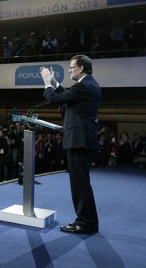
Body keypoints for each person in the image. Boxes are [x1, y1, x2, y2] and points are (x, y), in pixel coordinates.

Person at [40, 54, 101, 235]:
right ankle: (88, 221)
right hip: (82, 140)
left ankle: (85, 223)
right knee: (82, 184)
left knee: (80, 185)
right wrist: (54, 82)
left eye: (72, 67)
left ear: (81, 68)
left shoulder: (84, 85)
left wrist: (47, 83)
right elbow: (67, 95)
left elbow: (55, 99)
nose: (69, 70)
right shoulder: (88, 85)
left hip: (79, 141)